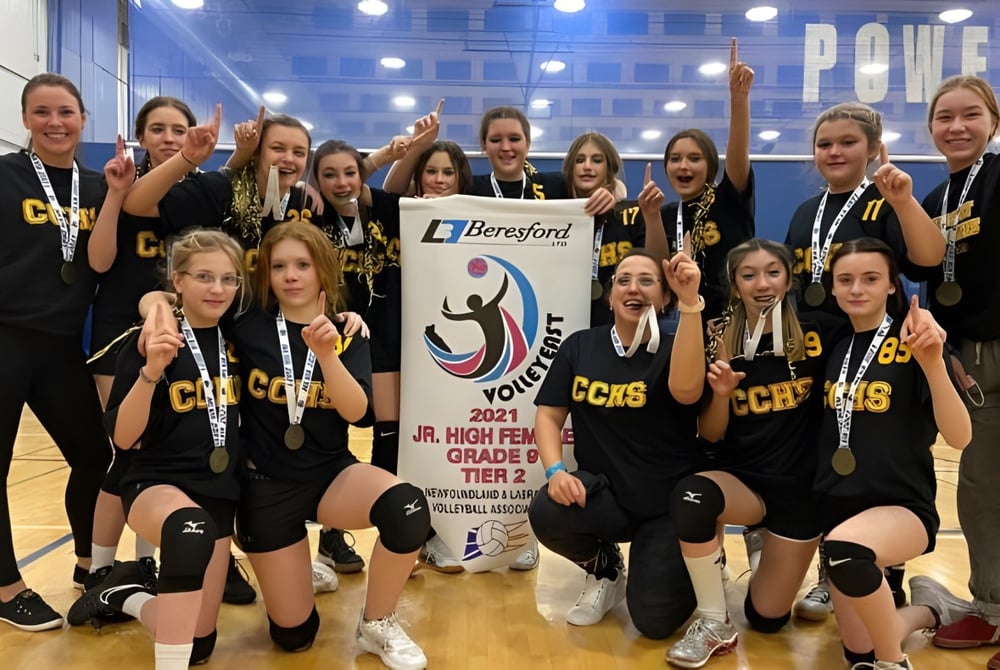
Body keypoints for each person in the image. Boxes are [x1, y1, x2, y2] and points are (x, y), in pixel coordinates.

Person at [227, 221, 429, 668]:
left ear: (323, 271)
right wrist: (157, 305)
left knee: (408, 507)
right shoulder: (245, 323)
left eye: (302, 264)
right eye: (279, 266)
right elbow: (174, 297)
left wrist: (327, 353)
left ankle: (376, 623)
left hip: (329, 475)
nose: (291, 275)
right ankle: (298, 568)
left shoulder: (348, 331)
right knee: (295, 637)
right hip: (265, 486)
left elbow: (357, 412)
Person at [784, 101, 946, 621]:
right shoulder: (805, 213)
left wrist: (902, 202)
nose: (834, 151)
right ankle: (833, 573)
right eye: (825, 143)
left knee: (881, 455)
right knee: (829, 456)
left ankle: (887, 571)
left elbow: (927, 258)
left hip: (882, 350)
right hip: (821, 355)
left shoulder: (884, 199)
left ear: (874, 149)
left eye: (847, 142)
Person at [67, 229, 246, 670]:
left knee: (198, 644)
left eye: (229, 279)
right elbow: (124, 440)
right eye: (204, 276)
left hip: (217, 489)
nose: (218, 289)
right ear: (178, 281)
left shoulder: (243, 339)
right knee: (189, 530)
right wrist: (150, 374)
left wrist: (350, 319)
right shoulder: (147, 341)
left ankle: (123, 595)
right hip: (156, 484)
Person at [665, 239, 848, 667]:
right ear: (734, 285)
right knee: (693, 496)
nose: (762, 284)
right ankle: (714, 621)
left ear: (789, 278)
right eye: (748, 275)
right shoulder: (717, 337)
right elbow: (710, 434)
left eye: (772, 272)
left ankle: (764, 549)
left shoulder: (822, 331)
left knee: (766, 619)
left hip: (799, 495)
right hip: (743, 483)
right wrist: (723, 395)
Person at [527, 247, 707, 638]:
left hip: (667, 505)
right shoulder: (580, 346)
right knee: (547, 509)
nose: (634, 288)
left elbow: (691, 393)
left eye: (647, 281)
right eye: (623, 280)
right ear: (610, 296)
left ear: (664, 298)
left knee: (654, 623)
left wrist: (691, 304)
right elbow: (549, 414)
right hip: (608, 495)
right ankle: (605, 568)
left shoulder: (681, 343)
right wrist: (556, 471)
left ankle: (704, 557)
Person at [813, 238, 971, 670]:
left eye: (870, 278)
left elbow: (960, 437)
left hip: (902, 509)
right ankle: (932, 610)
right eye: (845, 280)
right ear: (832, 288)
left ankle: (892, 664)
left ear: (890, 286)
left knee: (845, 551)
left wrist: (934, 362)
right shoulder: (835, 348)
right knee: (855, 649)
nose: (856, 288)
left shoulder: (915, 342)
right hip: (843, 511)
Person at [0, 73, 113, 631]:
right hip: (5, 338)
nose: (54, 122)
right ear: (25, 119)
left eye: (65, 111)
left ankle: (89, 562)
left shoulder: (97, 188)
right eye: (41, 112)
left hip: (62, 346)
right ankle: (5, 585)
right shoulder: (3, 176)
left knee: (95, 455)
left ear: (83, 119)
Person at [83, 96, 198, 595]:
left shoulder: (203, 194)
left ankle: (147, 563)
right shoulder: (124, 185)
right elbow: (102, 262)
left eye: (178, 129)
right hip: (122, 332)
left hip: (181, 331)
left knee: (166, 452)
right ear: (141, 136)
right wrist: (114, 196)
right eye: (158, 129)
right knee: (126, 452)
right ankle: (99, 571)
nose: (169, 138)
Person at [906, 75, 1000, 668]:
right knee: (981, 489)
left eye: (971, 115)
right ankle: (991, 608)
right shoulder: (938, 200)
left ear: (993, 122)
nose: (957, 126)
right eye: (944, 116)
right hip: (970, 359)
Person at [646, 38, 756, 322]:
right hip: (682, 323)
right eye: (675, 159)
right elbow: (657, 268)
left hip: (734, 322)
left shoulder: (728, 200)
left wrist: (738, 98)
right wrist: (651, 217)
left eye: (694, 158)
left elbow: (738, 153)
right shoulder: (670, 214)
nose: (683, 166)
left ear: (710, 165)